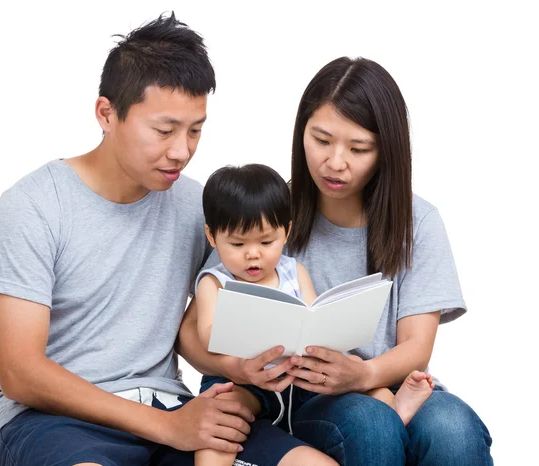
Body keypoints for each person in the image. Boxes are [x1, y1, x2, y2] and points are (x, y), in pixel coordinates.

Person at [0, 13, 315, 466]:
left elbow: (194, 326)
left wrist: (235, 367)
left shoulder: (197, 206)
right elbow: (20, 372)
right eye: (164, 130)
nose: (182, 150)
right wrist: (169, 428)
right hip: (52, 421)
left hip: (169, 406)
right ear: (106, 114)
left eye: (195, 130)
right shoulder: (33, 205)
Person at [179, 57, 494, 465]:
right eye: (321, 140)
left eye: (358, 148)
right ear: (301, 133)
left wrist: (363, 375)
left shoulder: (417, 222)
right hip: (297, 396)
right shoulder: (267, 218)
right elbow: (191, 334)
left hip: (386, 384)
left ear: (386, 151)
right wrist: (241, 370)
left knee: (454, 428)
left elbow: (417, 346)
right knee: (369, 423)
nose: (335, 162)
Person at [193, 164, 437, 466]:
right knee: (221, 415)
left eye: (266, 242)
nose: (252, 254)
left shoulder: (294, 271)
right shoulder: (214, 282)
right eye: (238, 244)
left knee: (365, 377)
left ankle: (397, 411)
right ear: (213, 237)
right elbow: (206, 333)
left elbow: (313, 314)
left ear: (287, 232)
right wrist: (240, 355)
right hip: (243, 379)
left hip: (300, 379)